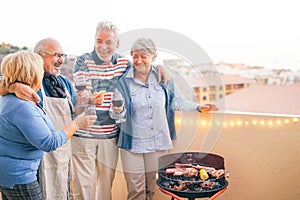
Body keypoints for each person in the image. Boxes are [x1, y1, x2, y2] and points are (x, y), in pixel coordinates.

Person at [109, 38, 218, 200]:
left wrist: (198, 107)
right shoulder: (124, 81)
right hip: (132, 144)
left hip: (157, 143)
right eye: (135, 56)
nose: (139, 61)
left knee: (150, 188)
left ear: (154, 57)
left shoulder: (163, 78)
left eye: (144, 56)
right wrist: (117, 110)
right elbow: (116, 114)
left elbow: (177, 101)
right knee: (135, 191)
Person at [71, 21, 168, 200]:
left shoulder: (124, 63)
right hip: (85, 133)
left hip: (110, 134)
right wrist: (89, 97)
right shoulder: (83, 60)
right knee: (83, 186)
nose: (103, 46)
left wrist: (159, 67)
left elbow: (143, 66)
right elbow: (82, 91)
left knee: (106, 185)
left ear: (117, 44)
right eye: (99, 41)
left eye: (108, 42)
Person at [0, 51, 95, 200]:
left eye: (63, 55)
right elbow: (48, 142)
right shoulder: (20, 106)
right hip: (20, 175)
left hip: (11, 173)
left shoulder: (11, 98)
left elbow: (74, 106)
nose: (61, 60)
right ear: (31, 73)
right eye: (56, 54)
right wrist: (76, 124)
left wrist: (88, 102)